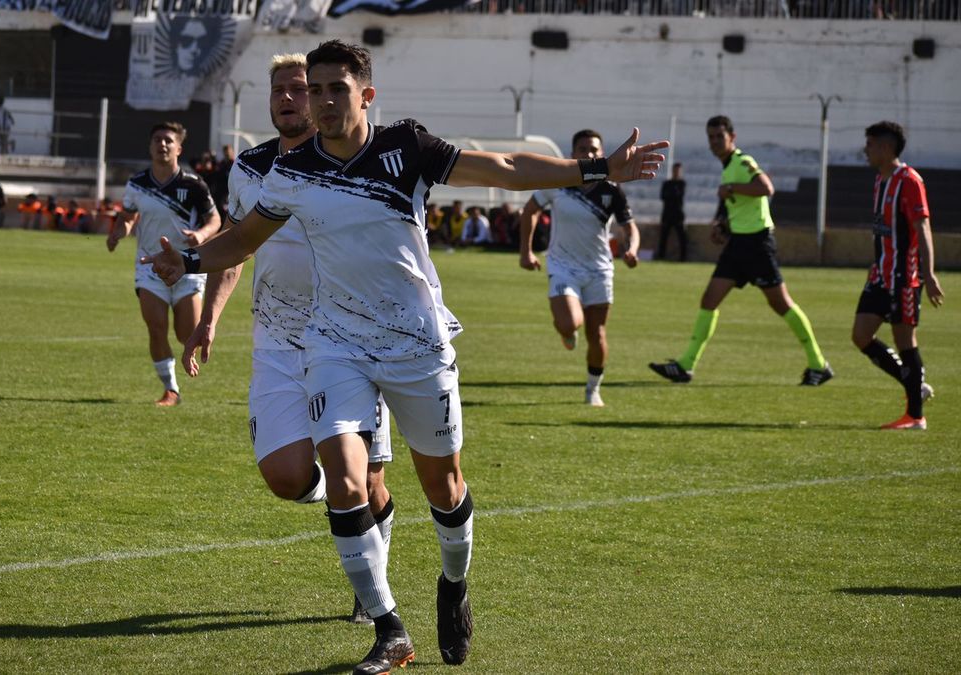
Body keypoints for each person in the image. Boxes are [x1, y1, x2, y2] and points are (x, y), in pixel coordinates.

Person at [146, 40, 666, 674]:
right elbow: (247, 238)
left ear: (366, 95)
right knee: (343, 475)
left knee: (442, 487)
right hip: (335, 344)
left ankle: (453, 584)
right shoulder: (291, 172)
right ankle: (390, 628)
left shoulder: (407, 148)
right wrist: (193, 260)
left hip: (417, 342)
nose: (324, 100)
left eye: (337, 88)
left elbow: (501, 166)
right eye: (316, 89)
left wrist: (596, 170)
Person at [183, 53, 395, 623]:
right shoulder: (249, 168)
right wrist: (209, 319)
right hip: (276, 340)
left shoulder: (353, 160)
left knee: (371, 479)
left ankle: (373, 590)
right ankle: (343, 504)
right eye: (279, 90)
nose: (288, 99)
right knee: (285, 476)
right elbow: (236, 246)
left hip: (351, 339)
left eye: (299, 89)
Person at [649, 115, 831, 386]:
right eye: (710, 137)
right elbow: (741, 205)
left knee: (781, 304)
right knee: (709, 300)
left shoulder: (742, 162)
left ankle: (818, 364)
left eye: (719, 136)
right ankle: (686, 365)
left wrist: (730, 188)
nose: (714, 142)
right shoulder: (727, 167)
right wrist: (723, 225)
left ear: (732, 137)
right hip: (738, 245)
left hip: (758, 244)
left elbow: (766, 188)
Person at [519, 128, 640, 407]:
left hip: (599, 269)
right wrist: (526, 252)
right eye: (583, 149)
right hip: (563, 266)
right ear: (573, 154)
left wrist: (631, 249)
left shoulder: (611, 188)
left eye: (595, 149)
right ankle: (567, 330)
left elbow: (629, 227)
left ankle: (592, 389)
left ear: (602, 153)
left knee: (597, 334)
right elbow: (530, 210)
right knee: (569, 323)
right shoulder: (558, 182)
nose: (590, 154)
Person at [106, 121, 220, 406]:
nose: (162, 144)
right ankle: (171, 389)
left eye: (169, 140)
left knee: (186, 333)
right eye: (157, 139)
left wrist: (201, 235)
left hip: (187, 266)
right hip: (150, 265)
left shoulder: (193, 185)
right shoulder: (137, 184)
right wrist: (121, 231)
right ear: (150, 146)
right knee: (155, 326)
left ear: (179, 148)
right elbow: (129, 216)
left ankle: (181, 367)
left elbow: (215, 219)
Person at [851, 121, 944, 430]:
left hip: (903, 277)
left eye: (871, 144)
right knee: (861, 335)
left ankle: (916, 416)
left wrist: (928, 274)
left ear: (886, 147)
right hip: (880, 275)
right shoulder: (880, 180)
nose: (866, 149)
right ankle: (914, 387)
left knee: (905, 341)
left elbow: (922, 227)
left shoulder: (910, 181)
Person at [657, 161, 687, 261]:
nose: (676, 172)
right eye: (675, 170)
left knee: (682, 237)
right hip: (667, 214)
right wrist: (672, 194)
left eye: (678, 171)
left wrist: (671, 194)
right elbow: (663, 196)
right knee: (663, 237)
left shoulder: (682, 183)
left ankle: (683, 258)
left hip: (678, 214)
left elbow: (679, 196)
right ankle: (661, 256)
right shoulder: (667, 183)